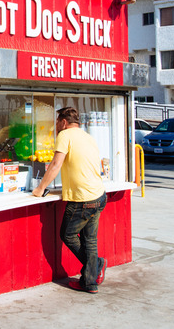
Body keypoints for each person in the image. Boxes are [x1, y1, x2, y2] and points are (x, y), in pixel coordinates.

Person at [32, 107, 107, 294]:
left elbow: (56, 164)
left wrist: (40, 188)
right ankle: (89, 282)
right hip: (99, 195)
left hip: (82, 199)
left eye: (57, 122)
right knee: (90, 241)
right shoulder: (87, 137)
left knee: (68, 235)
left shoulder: (65, 135)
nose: (57, 126)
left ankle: (96, 264)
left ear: (63, 122)